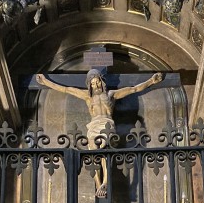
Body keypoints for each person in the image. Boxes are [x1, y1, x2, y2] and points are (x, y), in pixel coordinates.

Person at [35, 68, 164, 196]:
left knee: (104, 150)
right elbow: (66, 89)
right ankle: (98, 183)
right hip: (93, 125)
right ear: (89, 85)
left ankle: (106, 182)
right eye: (92, 83)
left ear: (102, 81)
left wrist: (151, 81)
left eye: (97, 82)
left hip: (107, 124)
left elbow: (133, 89)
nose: (95, 85)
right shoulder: (87, 96)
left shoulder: (111, 94)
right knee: (93, 154)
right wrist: (46, 82)